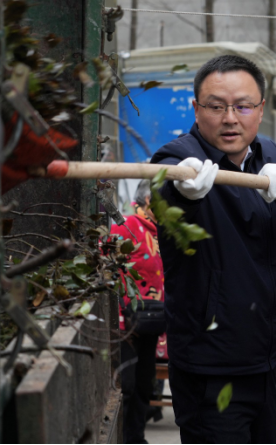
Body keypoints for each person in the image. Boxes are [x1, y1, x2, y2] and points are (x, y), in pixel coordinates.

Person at [150, 55, 276, 444]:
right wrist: (183, 194)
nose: (230, 118)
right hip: (210, 366)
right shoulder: (178, 161)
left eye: (243, 106)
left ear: (260, 110)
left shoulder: (267, 155)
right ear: (196, 109)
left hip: (266, 357)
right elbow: (166, 201)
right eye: (216, 106)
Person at [110, 180, 165, 444]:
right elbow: (108, 263)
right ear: (148, 201)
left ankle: (136, 438)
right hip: (127, 322)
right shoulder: (126, 226)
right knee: (128, 386)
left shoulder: (164, 232)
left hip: (153, 320)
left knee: (145, 384)